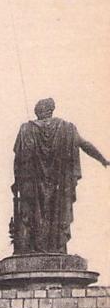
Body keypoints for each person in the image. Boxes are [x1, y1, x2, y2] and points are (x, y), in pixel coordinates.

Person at [11, 98, 109, 255]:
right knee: (56, 212)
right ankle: (57, 247)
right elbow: (85, 145)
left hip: (33, 186)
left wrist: (17, 182)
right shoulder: (67, 128)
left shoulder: (26, 129)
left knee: (35, 213)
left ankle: (37, 248)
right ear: (51, 110)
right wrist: (102, 159)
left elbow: (18, 160)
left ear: (39, 111)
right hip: (58, 185)